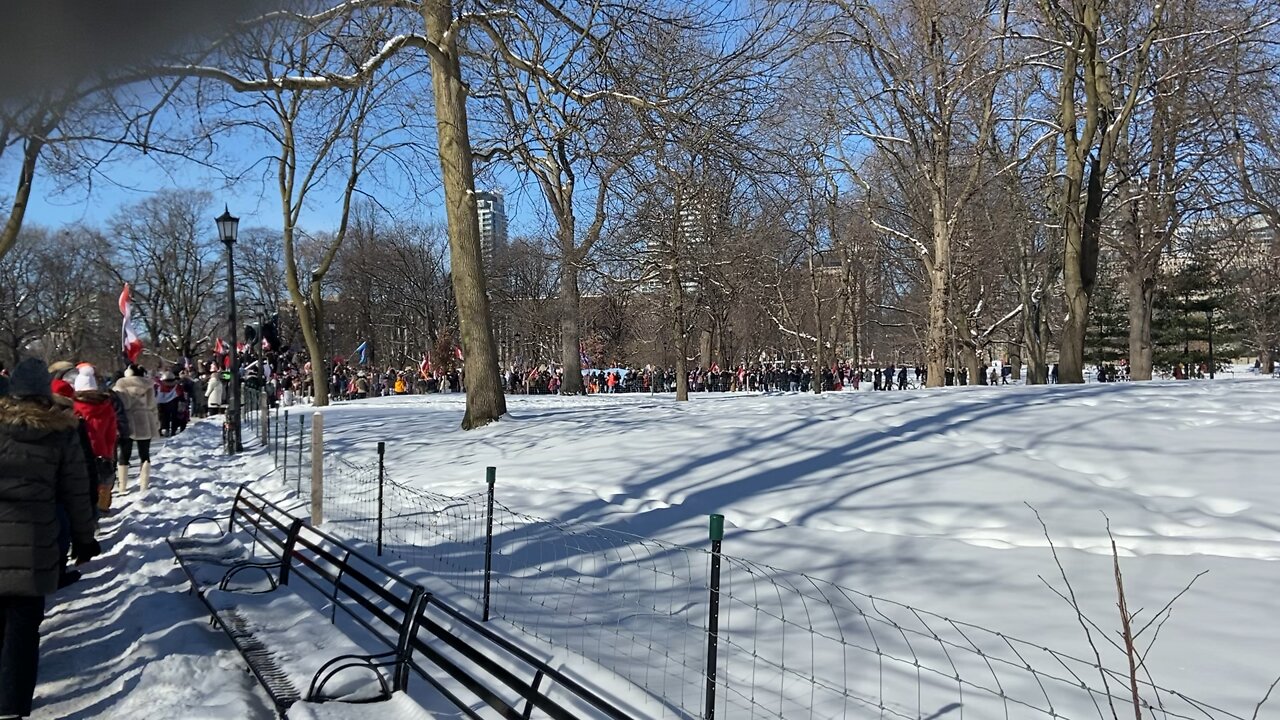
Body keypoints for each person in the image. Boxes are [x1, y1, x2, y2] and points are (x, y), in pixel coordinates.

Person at [0, 358, 99, 718]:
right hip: (35, 541)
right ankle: (11, 708)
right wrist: (84, 539)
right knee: (23, 632)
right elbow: (76, 490)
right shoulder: (61, 432)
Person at [71, 364, 126, 513]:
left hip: (78, 456)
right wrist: (109, 456)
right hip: (102, 455)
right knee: (101, 488)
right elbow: (111, 435)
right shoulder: (106, 406)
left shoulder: (73, 408)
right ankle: (99, 511)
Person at [112, 365, 160, 493]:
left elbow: (124, 404)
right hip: (145, 419)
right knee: (144, 454)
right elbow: (152, 405)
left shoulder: (121, 385)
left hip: (128, 421)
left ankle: (122, 486)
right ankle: (144, 485)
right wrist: (156, 423)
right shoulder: (148, 386)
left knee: (124, 453)